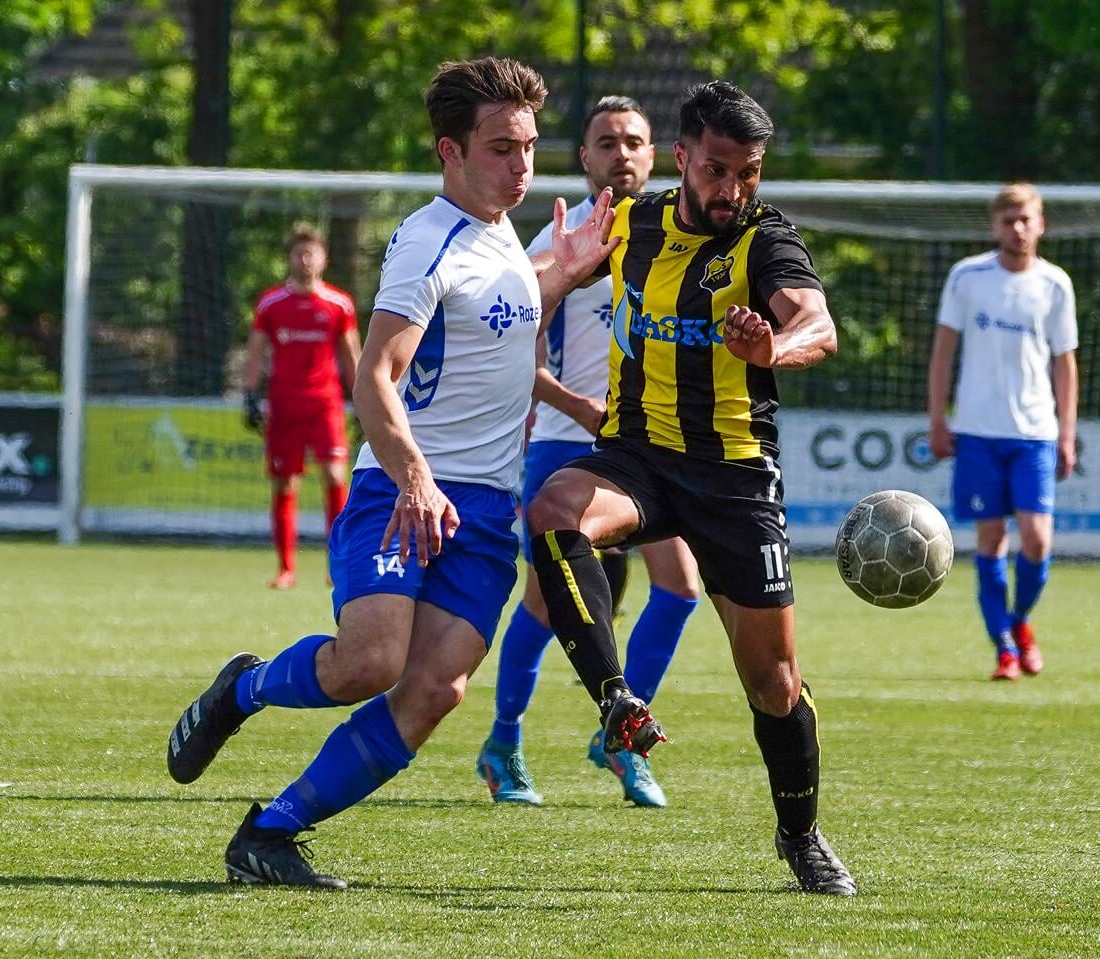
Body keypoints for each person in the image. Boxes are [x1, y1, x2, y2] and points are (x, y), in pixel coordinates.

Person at [166, 56, 618, 888]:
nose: (519, 166)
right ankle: (245, 688)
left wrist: (565, 269)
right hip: (402, 490)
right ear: (449, 152)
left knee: (433, 690)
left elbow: (504, 316)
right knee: (368, 663)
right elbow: (375, 373)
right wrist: (413, 474)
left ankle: (269, 833)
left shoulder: (503, 234)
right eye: (499, 149)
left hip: (483, 509)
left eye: (526, 147)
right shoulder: (426, 239)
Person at [524, 81, 855, 895]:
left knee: (774, 686)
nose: (733, 189)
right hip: (636, 455)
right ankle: (614, 700)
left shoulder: (765, 241)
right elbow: (521, 287)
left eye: (748, 172)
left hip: (734, 475)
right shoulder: (629, 222)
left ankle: (799, 834)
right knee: (553, 509)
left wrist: (775, 344)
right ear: (681, 160)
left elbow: (817, 322)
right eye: (716, 169)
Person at [474, 96, 701, 810]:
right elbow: (514, 351)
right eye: (606, 142)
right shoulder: (561, 240)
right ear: (585, 158)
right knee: (545, 603)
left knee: (680, 588)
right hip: (569, 445)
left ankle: (621, 732)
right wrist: (578, 407)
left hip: (648, 450)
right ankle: (503, 740)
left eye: (634, 140)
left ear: (656, 154)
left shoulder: (673, 235)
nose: (622, 153)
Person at [927, 182, 1078, 682]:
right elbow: (944, 350)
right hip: (976, 433)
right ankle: (1005, 650)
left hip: (1035, 432)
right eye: (1008, 219)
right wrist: (938, 418)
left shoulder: (1055, 284)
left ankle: (1018, 623)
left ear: (1041, 224)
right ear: (995, 225)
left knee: (1036, 540)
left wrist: (1067, 433)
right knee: (990, 542)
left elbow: (1065, 364)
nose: (1018, 228)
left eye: (1026, 219)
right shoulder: (967, 277)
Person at [242, 225, 361, 590]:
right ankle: (286, 568)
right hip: (284, 405)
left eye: (312, 253)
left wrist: (362, 399)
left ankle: (335, 566)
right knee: (284, 483)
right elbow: (257, 351)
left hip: (325, 405)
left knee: (336, 478)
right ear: (289, 259)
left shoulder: (339, 304)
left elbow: (351, 354)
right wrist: (249, 394)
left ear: (324, 259)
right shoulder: (271, 304)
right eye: (299, 253)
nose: (305, 259)